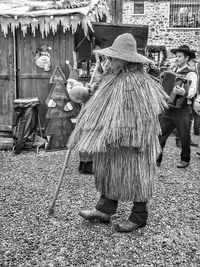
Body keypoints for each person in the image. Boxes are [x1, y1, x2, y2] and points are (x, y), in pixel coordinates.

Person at [67, 33, 168, 232]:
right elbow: (100, 102)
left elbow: (140, 115)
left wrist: (124, 134)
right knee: (110, 172)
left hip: (132, 140)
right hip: (111, 138)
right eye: (109, 57)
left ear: (127, 59)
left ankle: (139, 216)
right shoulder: (111, 77)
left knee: (136, 176)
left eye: (113, 57)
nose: (109, 60)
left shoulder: (136, 83)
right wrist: (88, 96)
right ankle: (104, 210)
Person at [157, 45, 198, 168]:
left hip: (183, 110)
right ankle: (157, 158)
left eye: (179, 56)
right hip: (168, 109)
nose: (176, 58)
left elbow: (193, 91)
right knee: (161, 134)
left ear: (186, 58)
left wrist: (183, 93)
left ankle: (185, 159)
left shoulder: (191, 73)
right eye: (176, 56)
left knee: (185, 136)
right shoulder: (173, 71)